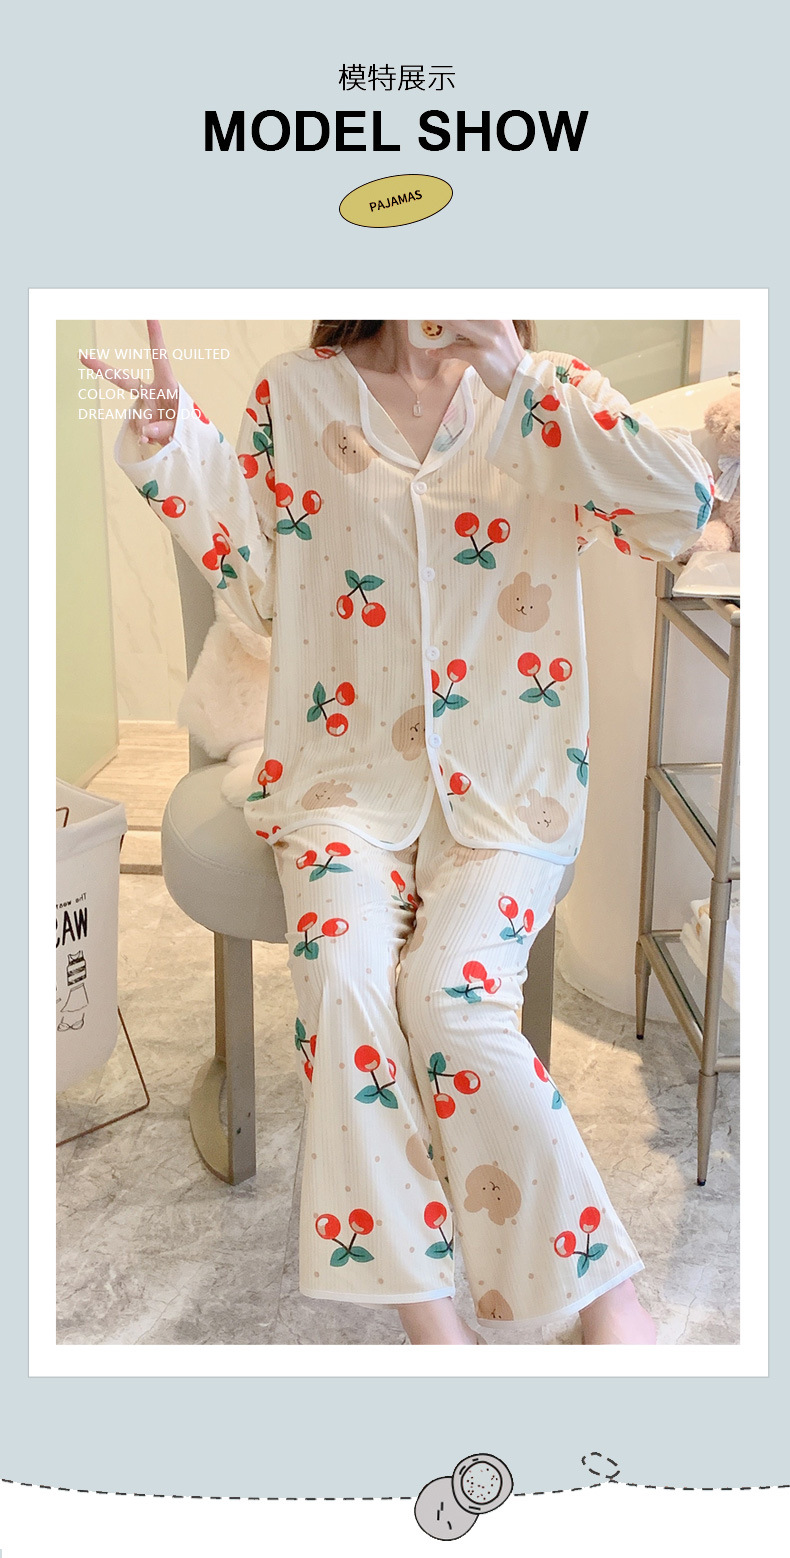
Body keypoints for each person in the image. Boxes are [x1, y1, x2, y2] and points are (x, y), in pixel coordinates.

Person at [82, 318, 715, 1345]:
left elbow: (683, 509)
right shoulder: (295, 393)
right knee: (342, 976)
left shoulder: (545, 394)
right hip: (342, 781)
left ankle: (605, 1298)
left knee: (450, 1000)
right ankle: (435, 1331)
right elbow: (257, 587)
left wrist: (519, 376)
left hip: (511, 785)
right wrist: (174, 447)